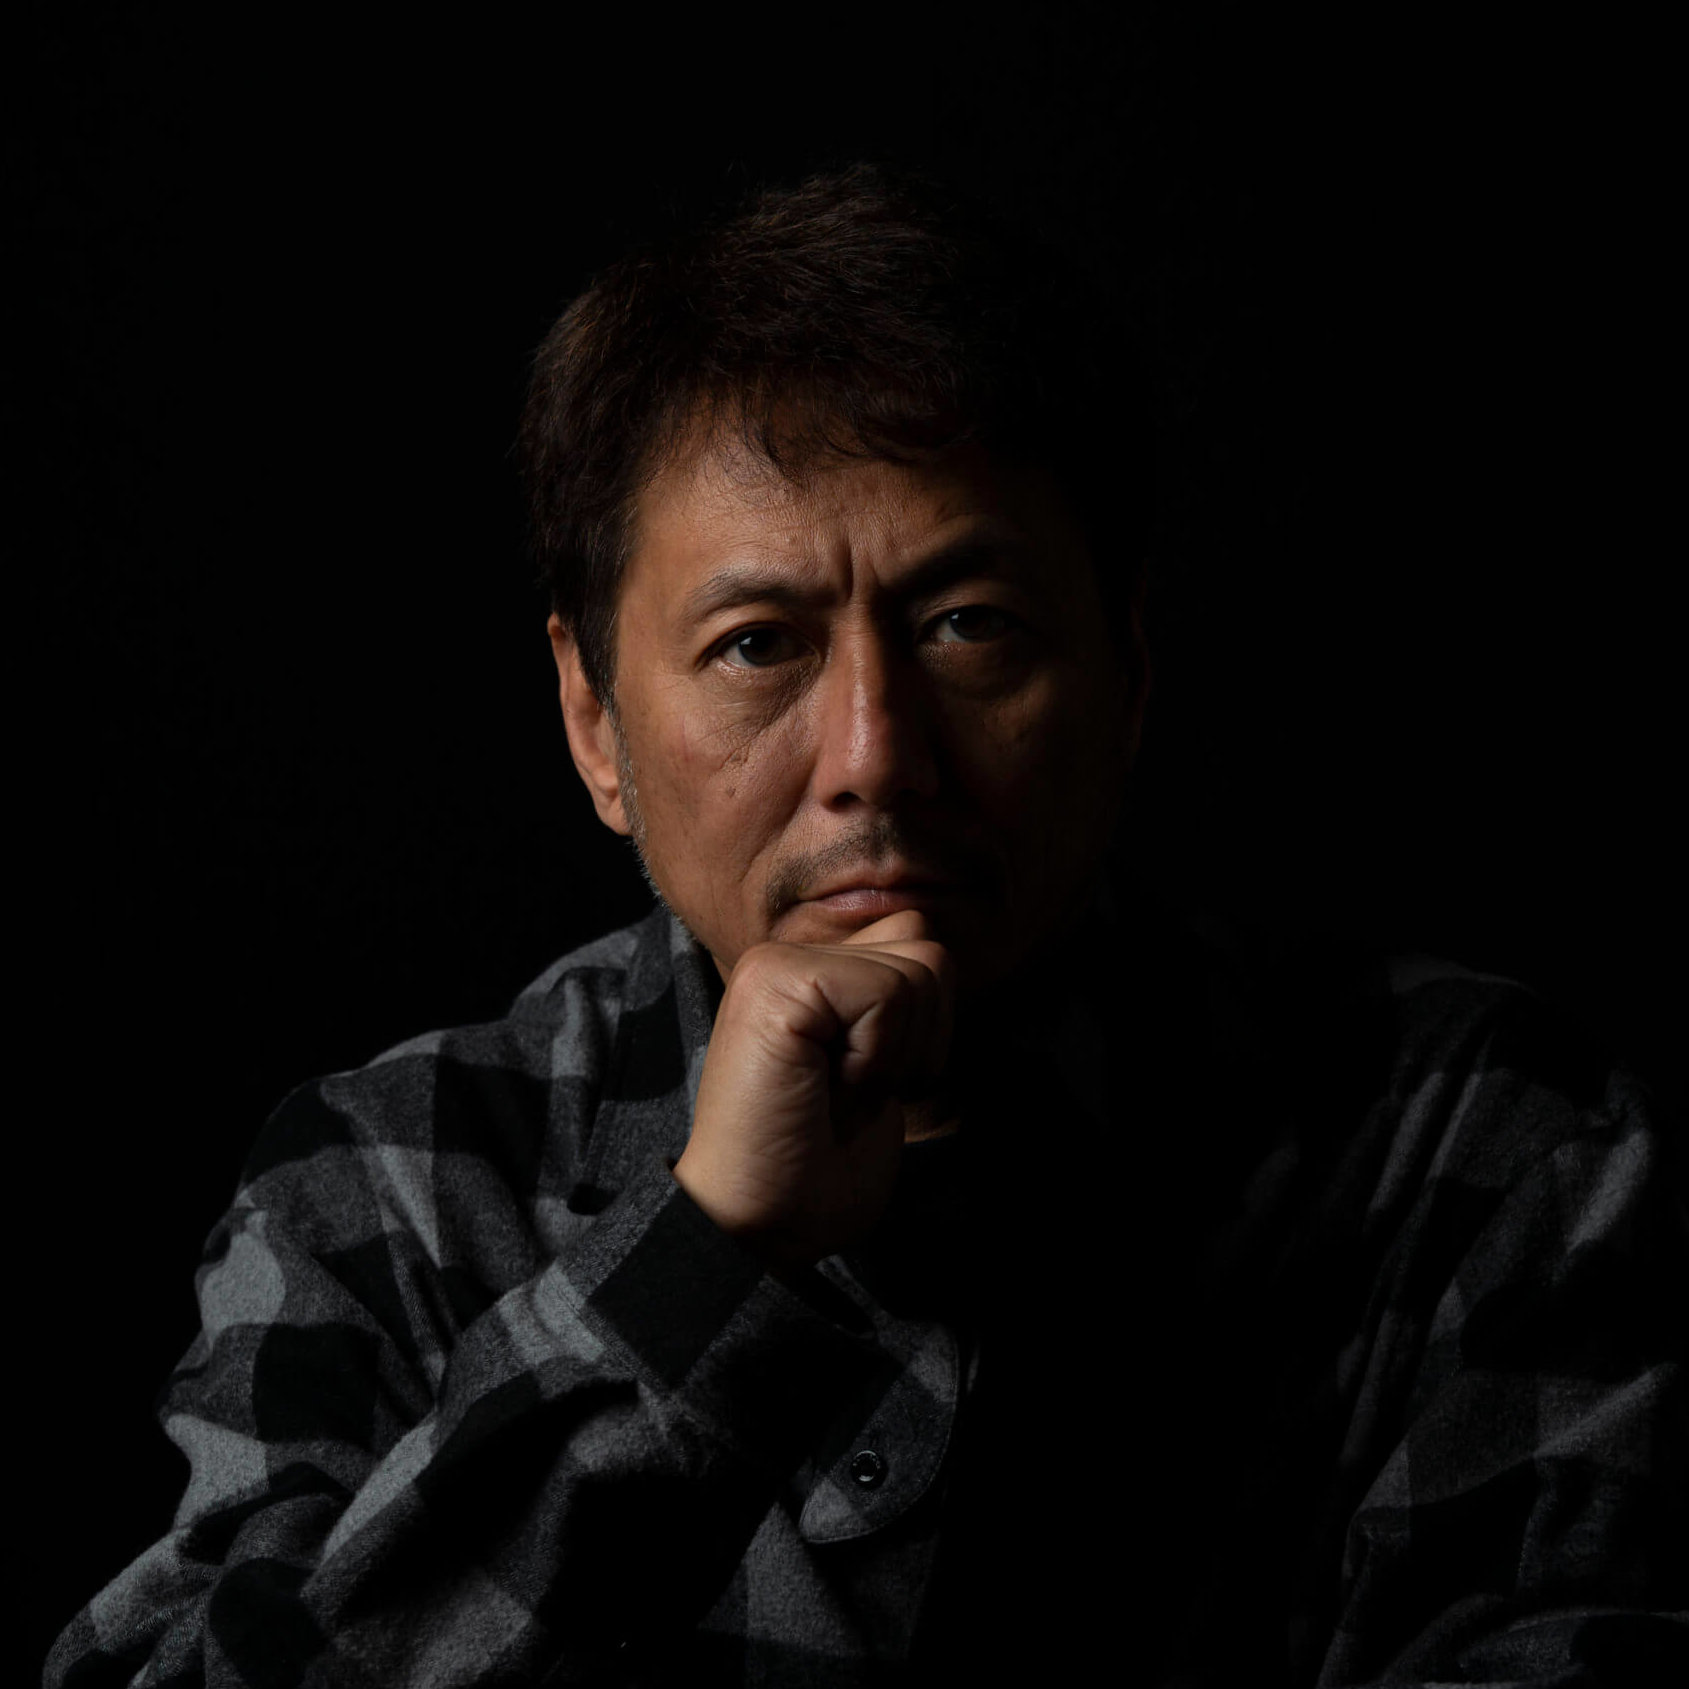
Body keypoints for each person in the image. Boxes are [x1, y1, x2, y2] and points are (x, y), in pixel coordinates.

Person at [45, 161, 1687, 1688]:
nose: (874, 755)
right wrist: (704, 1264)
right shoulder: (390, 1189)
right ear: (594, 721)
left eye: (968, 625)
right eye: (757, 645)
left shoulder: (1470, 1145)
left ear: (1126, 671)